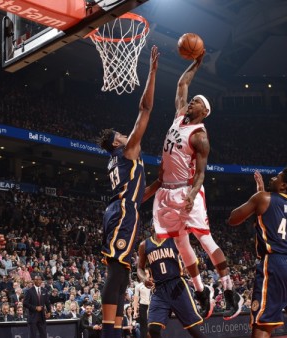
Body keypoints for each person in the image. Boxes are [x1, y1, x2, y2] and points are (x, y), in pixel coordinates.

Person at [142, 50, 242, 320]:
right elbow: (182, 84)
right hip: (166, 191)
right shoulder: (178, 116)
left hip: (187, 189)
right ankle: (201, 292)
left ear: (204, 112)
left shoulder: (200, 137)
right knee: (181, 244)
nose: (191, 102)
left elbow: (201, 174)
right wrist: (196, 63)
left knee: (204, 238)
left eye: (196, 102)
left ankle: (230, 292)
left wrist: (192, 194)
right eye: (192, 100)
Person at [97, 45, 159, 338]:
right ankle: (109, 332)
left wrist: (158, 185)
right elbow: (145, 109)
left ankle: (115, 331)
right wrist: (153, 72)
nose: (127, 134)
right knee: (117, 272)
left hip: (124, 208)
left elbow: (138, 195)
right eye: (122, 134)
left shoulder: (119, 160)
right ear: (117, 142)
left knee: (122, 273)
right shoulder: (127, 151)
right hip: (122, 212)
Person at [226, 169, 287, 338]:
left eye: (277, 177)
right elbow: (274, 212)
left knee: (262, 325)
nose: (273, 178)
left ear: (283, 185)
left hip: (275, 263)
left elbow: (233, 219)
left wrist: (257, 195)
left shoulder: (263, 198)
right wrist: (260, 191)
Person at [136, 231, 206, 338]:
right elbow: (139, 268)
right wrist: (144, 278)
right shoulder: (144, 245)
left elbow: (190, 255)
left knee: (193, 328)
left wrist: (188, 265)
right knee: (153, 328)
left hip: (177, 286)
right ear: (152, 226)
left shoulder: (174, 238)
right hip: (159, 289)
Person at [132, 270, 151, 338]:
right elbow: (136, 299)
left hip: (152, 306)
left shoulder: (153, 284)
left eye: (147, 273)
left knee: (153, 325)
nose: (146, 275)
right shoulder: (138, 286)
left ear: (149, 274)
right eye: (144, 274)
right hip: (143, 306)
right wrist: (134, 311)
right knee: (143, 326)